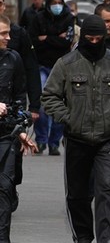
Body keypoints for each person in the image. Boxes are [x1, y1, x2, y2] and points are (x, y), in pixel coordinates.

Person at [41, 14, 110, 243]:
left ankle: (107, 239)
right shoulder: (66, 63)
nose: (94, 43)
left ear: (105, 37)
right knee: (78, 195)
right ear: (83, 37)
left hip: (108, 139)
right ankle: (83, 237)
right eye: (89, 39)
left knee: (107, 190)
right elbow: (50, 96)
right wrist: (68, 117)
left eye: (98, 39)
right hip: (76, 138)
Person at [0, 15, 37, 242]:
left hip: (5, 135)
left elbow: (18, 98)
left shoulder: (13, 59)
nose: (8, 37)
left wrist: (21, 129)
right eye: (3, 34)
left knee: (5, 188)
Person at [29, 0, 75, 156]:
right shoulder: (38, 18)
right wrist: (56, 37)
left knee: (60, 106)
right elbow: (33, 40)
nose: (57, 6)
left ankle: (54, 142)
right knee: (41, 104)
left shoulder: (69, 18)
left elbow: (66, 42)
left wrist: (46, 38)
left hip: (61, 68)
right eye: (54, 3)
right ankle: (41, 140)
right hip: (42, 66)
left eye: (59, 3)